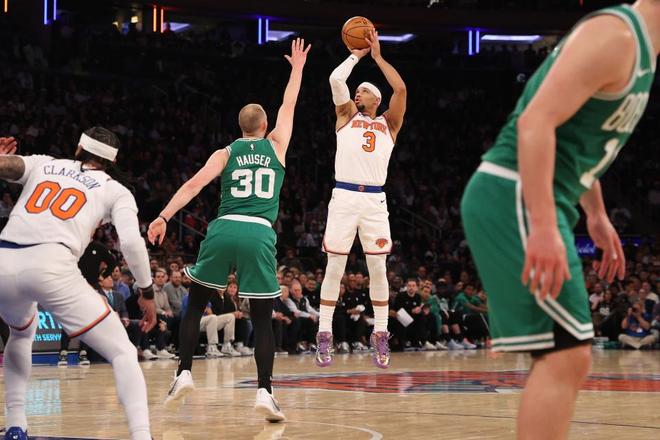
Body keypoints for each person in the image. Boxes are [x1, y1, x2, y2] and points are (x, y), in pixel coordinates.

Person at [460, 2, 658, 439]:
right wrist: (545, 225)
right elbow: (535, 123)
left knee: (567, 355)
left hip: (533, 197)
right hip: (513, 193)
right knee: (565, 356)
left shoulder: (640, 51)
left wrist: (596, 214)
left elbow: (573, 140)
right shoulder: (617, 35)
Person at [147, 38, 310, 423]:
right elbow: (289, 104)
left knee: (194, 306)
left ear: (240, 127)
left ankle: (184, 372)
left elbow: (193, 185)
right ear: (265, 126)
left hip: (223, 229)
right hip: (258, 232)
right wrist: (297, 69)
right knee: (263, 318)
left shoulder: (225, 152)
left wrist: (164, 216)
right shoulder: (277, 145)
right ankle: (265, 392)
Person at [0, 130, 156, 440]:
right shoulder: (115, 189)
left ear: (79, 148)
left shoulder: (45, 164)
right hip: (52, 263)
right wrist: (147, 290)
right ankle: (142, 435)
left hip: (4, 260)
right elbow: (131, 244)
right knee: (123, 351)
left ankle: (16, 424)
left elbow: (8, 166)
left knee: (21, 332)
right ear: (111, 161)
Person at [316, 29, 407, 369]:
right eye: (357, 91)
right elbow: (335, 78)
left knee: (378, 267)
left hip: (374, 202)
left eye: (363, 90)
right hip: (344, 195)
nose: (357, 93)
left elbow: (401, 90)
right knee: (335, 265)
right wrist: (356, 54)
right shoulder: (346, 116)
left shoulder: (389, 124)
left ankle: (381, 333)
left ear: (376, 99)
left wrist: (378, 57)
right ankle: (324, 333)